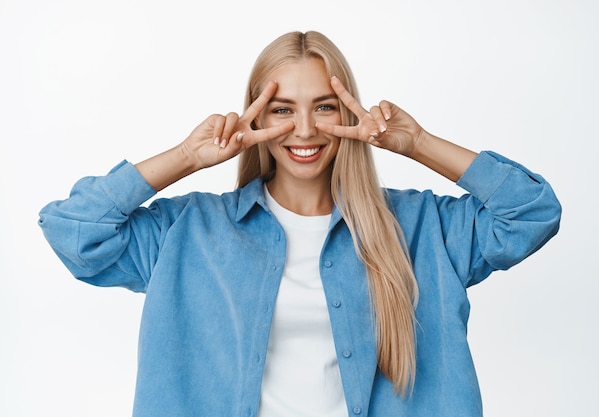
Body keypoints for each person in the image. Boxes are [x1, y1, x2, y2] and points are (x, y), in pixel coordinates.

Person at [38, 31, 561, 417]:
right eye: (283, 110)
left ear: (348, 113)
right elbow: (74, 232)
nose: (305, 129)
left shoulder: (423, 228)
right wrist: (185, 157)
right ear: (256, 119)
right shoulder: (189, 232)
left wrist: (418, 143)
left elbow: (532, 212)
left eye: (325, 107)